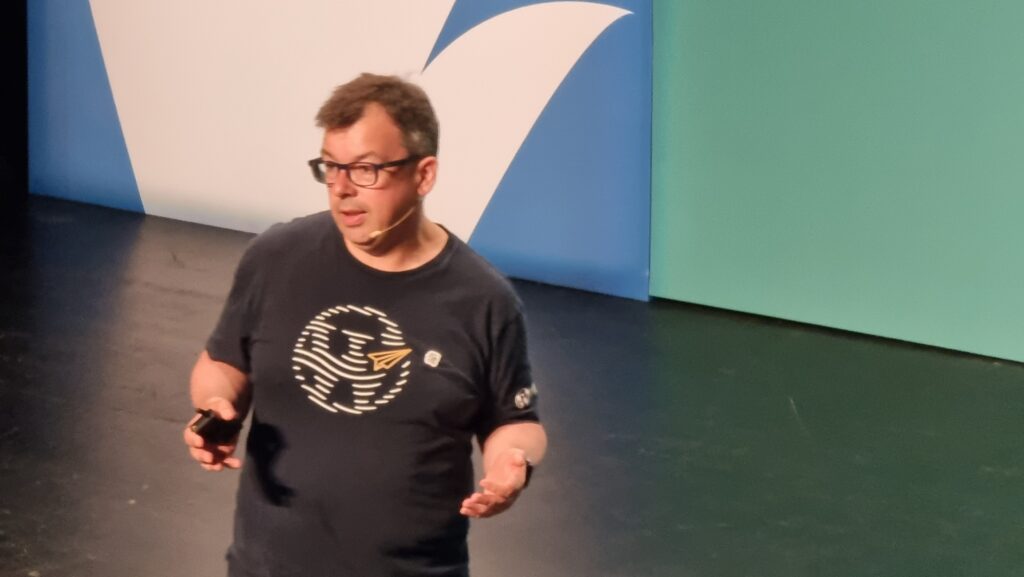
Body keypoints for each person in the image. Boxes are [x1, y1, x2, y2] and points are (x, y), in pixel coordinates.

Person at [182, 73, 548, 577]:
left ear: (424, 175)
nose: (342, 190)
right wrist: (216, 404)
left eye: (366, 170)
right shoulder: (275, 258)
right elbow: (223, 361)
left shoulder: (484, 300)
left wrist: (512, 465)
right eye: (331, 167)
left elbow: (515, 420)